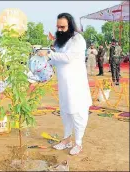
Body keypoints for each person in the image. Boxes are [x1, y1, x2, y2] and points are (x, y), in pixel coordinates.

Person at [37, 13, 92, 155]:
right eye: (58, 27)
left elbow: (67, 58)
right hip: (64, 86)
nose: (60, 30)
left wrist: (48, 53)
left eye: (63, 27)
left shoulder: (77, 39)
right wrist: (41, 64)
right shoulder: (60, 42)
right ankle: (66, 140)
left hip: (76, 85)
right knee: (65, 112)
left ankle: (78, 143)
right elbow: (56, 60)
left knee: (77, 113)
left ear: (70, 26)